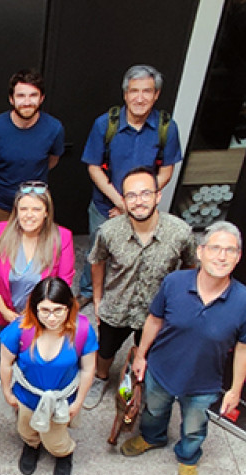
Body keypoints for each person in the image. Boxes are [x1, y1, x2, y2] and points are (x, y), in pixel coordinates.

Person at [120, 221, 246, 475]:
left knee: (195, 426)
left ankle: (188, 457)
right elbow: (154, 320)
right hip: (161, 369)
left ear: (238, 257)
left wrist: (235, 390)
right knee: (154, 411)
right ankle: (152, 438)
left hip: (204, 382)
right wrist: (141, 356)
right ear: (200, 251)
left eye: (230, 250)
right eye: (215, 248)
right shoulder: (174, 282)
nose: (221, 256)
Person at [87, 166, 197, 402]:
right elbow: (97, 262)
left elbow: (190, 265)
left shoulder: (180, 232)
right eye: (131, 195)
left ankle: (137, 384)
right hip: (117, 305)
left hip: (156, 311)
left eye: (145, 193)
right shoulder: (108, 231)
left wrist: (181, 302)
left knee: (149, 354)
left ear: (158, 196)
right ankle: (100, 378)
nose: (138, 201)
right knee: (105, 350)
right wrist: (97, 299)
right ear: (124, 200)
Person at [78, 65, 182, 304]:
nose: (140, 98)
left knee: (137, 251)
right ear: (125, 94)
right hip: (106, 205)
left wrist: (138, 201)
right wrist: (121, 202)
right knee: (97, 249)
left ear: (156, 95)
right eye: (134, 91)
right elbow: (94, 167)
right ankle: (87, 292)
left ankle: (125, 295)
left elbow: (166, 171)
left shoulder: (167, 127)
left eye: (147, 91)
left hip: (143, 207)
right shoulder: (105, 124)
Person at [0, 277, 97, 475]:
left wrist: (78, 402)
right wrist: (7, 392)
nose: (52, 318)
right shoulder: (20, 329)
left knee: (55, 439)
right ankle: (31, 445)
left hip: (61, 400)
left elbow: (88, 369)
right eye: (45, 310)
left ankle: (64, 453)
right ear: (34, 308)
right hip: (26, 395)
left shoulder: (82, 330)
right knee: (26, 429)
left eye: (58, 310)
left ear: (69, 307)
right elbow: (6, 363)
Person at [0, 182, 74, 372]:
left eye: (36, 209)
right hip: (4, 312)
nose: (29, 215)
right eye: (23, 209)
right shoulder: (1, 231)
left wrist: (34, 314)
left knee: (33, 356)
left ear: (46, 212)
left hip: (41, 315)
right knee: (3, 351)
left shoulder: (62, 237)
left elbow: (64, 281)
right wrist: (4, 311)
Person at [0, 69, 65, 233]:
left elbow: (52, 160)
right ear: (11, 99)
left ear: (42, 98)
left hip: (36, 206)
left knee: (35, 249)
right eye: (21, 96)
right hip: (0, 205)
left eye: (33, 95)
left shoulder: (54, 128)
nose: (27, 102)